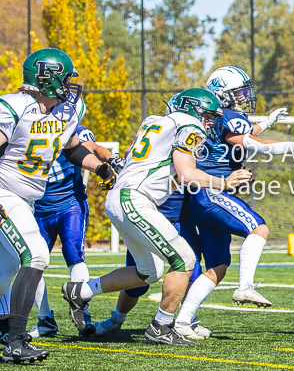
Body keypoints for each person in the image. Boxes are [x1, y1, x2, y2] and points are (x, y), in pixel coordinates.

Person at [60, 88, 252, 345]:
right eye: (206, 115)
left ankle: (81, 291)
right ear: (192, 109)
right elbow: (186, 173)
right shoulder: (189, 125)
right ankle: (161, 326)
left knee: (149, 272)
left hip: (124, 198)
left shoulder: (154, 122)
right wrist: (223, 181)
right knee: (184, 259)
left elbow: (131, 155)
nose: (209, 123)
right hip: (136, 200)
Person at [174, 66, 294, 339]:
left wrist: (267, 122)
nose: (244, 97)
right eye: (238, 93)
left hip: (203, 196)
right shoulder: (227, 118)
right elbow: (257, 144)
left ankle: (184, 321)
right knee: (259, 229)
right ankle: (245, 285)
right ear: (221, 95)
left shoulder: (215, 118)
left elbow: (241, 134)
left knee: (218, 266)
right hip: (213, 192)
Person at [0, 48, 115, 363]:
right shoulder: (14, 106)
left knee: (5, 271)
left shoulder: (64, 112)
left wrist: (99, 168)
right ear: (47, 78)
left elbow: (72, 148)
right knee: (36, 253)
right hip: (4, 192)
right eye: (65, 78)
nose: (69, 85)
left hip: (25, 198)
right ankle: (16, 341)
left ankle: (5, 328)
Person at [27, 124, 123, 338]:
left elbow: (92, 148)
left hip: (69, 203)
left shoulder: (72, 127)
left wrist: (109, 162)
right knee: (33, 262)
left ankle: (83, 313)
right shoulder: (27, 124)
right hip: (37, 206)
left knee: (74, 254)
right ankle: (45, 320)